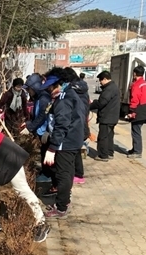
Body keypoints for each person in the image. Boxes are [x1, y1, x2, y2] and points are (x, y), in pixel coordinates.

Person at [41, 67, 85, 219]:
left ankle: (61, 208)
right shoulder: (70, 94)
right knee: (67, 173)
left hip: (65, 143)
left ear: (57, 84)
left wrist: (52, 148)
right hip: (72, 141)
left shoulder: (64, 99)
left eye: (49, 87)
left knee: (63, 175)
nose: (48, 90)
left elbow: (62, 125)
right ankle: (64, 201)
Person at [24, 74, 53, 183]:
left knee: (46, 153)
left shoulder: (44, 98)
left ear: (34, 87)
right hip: (41, 130)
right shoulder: (39, 97)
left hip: (45, 131)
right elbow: (36, 115)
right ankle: (45, 171)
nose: (28, 91)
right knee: (43, 152)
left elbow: (42, 116)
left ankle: (47, 175)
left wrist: (30, 127)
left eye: (29, 89)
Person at [64, 68, 89, 185]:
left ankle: (78, 174)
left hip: (78, 125)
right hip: (81, 124)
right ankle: (78, 174)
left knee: (75, 152)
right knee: (76, 151)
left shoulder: (75, 91)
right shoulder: (81, 90)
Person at [90, 71, 120, 161]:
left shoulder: (109, 89)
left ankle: (103, 155)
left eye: (100, 80)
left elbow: (102, 102)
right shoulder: (113, 87)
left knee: (103, 137)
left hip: (106, 117)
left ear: (105, 79)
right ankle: (110, 153)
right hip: (112, 117)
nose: (100, 82)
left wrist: (91, 105)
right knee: (109, 136)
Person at [126, 65, 146, 158]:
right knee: (137, 129)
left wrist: (132, 111)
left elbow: (134, 98)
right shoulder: (145, 83)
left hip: (137, 109)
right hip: (144, 108)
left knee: (135, 131)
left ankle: (137, 151)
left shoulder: (136, 84)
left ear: (134, 74)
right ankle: (135, 148)